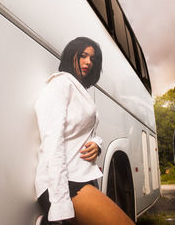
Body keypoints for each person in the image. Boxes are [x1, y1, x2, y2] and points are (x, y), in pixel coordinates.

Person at [35, 37, 134, 225]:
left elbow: (80, 132)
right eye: (83, 56)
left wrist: (97, 144)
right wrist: (60, 205)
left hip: (82, 177)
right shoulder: (60, 84)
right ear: (71, 55)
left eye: (93, 59)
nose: (88, 61)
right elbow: (52, 142)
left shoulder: (78, 89)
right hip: (63, 183)